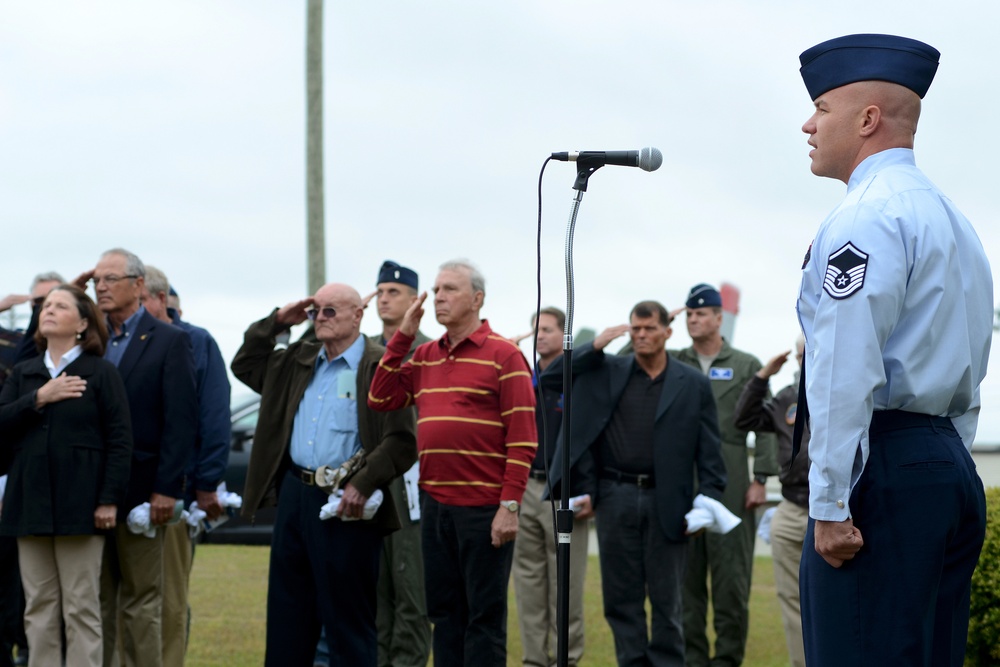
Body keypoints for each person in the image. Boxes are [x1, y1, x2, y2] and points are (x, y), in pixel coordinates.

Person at [795, 34, 992, 666]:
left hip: (882, 465)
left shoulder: (866, 218)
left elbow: (842, 369)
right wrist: (945, 458)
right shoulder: (954, 221)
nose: (809, 123)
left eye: (822, 108)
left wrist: (829, 502)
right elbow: (973, 356)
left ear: (867, 119)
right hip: (942, 461)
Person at [231, 282, 418, 667]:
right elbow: (245, 363)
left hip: (346, 503)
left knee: (348, 623)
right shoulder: (297, 360)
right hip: (297, 496)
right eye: (316, 310)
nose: (320, 318)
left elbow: (402, 440)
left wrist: (362, 483)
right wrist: (278, 320)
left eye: (331, 311)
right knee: (287, 617)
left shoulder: (379, 364)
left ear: (357, 315)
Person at [367, 258, 537, 667]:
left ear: (477, 298)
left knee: (484, 619)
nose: (439, 297)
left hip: (484, 510)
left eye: (450, 290)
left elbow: (523, 438)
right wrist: (403, 337)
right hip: (436, 507)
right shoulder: (425, 356)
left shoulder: (504, 356)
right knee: (444, 616)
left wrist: (509, 506)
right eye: (437, 289)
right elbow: (381, 397)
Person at [543, 300, 726, 667]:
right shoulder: (609, 370)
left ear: (667, 332)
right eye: (635, 329)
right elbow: (550, 378)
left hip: (668, 501)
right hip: (615, 497)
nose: (641, 335)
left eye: (649, 328)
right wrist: (594, 347)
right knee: (621, 600)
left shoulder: (691, 383)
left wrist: (707, 501)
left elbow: (710, 451)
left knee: (667, 602)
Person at [0, 284, 133, 667]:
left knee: (80, 607)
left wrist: (109, 499)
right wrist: (39, 397)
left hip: (82, 507)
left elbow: (120, 441)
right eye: (45, 306)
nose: (49, 310)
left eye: (60, 306)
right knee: (38, 607)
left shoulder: (101, 373)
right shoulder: (25, 373)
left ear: (83, 323)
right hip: (29, 506)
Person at [83, 248, 198, 667]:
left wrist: (166, 489)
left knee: (141, 600)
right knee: (97, 600)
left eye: (110, 279)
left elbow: (181, 422)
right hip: (91, 489)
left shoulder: (171, 341)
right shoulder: (89, 339)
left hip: (142, 493)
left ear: (137, 285)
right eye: (97, 280)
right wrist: (73, 295)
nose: (101, 287)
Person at [674, 283, 777, 667]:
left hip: (733, 475)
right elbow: (627, 358)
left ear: (720, 318)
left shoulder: (747, 364)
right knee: (685, 580)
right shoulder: (673, 359)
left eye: (701, 313)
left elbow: (766, 425)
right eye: (688, 314)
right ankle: (693, 659)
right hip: (682, 478)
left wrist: (760, 478)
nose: (693, 319)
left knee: (731, 579)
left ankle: (728, 659)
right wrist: (664, 322)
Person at [142, 266, 231, 667]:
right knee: (128, 597)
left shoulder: (196, 342)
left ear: (160, 299)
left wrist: (206, 481)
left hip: (174, 489)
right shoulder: (116, 341)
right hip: (125, 490)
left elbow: (213, 417)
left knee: (169, 597)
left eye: (139, 299)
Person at [512, 306, 592, 667]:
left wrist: (589, 489)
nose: (539, 335)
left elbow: (592, 438)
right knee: (528, 586)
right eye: (536, 329)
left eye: (547, 329)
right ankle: (533, 660)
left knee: (567, 588)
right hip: (525, 488)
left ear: (564, 335)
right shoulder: (523, 377)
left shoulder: (578, 378)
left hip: (564, 494)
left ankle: (567, 660)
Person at [733, 338, 810, 667]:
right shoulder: (787, 398)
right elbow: (744, 419)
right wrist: (762, 376)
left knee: (838, 598)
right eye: (803, 353)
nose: (809, 358)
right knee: (792, 599)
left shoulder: (849, 390)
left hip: (840, 511)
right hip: (792, 507)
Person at [370, 260, 431, 667]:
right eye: (380, 292)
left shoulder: (428, 351)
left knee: (411, 587)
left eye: (394, 292)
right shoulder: (365, 349)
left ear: (414, 300)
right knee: (374, 589)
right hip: (371, 479)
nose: (384, 299)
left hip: (413, 482)